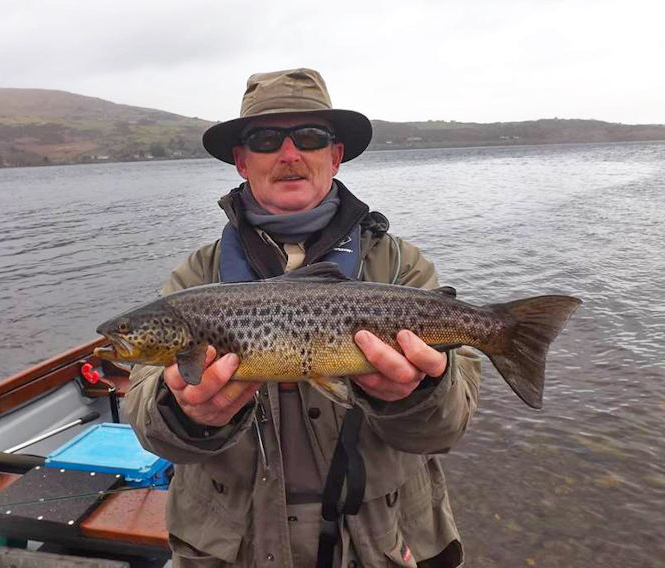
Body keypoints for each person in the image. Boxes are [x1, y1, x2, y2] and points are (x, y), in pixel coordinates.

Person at [122, 68, 481, 568]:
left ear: (334, 156)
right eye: (266, 140)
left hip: (382, 539)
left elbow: (448, 427)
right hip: (235, 546)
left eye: (309, 138)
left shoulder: (401, 268)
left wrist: (420, 392)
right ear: (242, 162)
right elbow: (143, 419)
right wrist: (185, 416)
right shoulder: (196, 277)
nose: (289, 155)